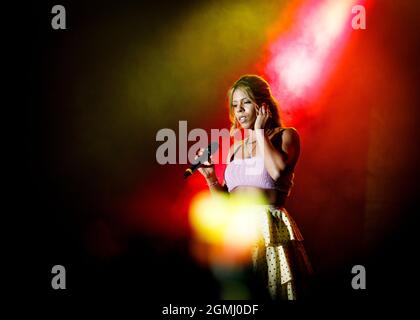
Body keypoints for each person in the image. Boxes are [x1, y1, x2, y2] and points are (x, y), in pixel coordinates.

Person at [195, 74, 313, 300]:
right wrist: (211, 179)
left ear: (263, 104)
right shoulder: (235, 149)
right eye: (235, 105)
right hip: (236, 230)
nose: (239, 110)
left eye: (246, 102)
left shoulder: (286, 136)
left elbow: (277, 171)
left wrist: (260, 133)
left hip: (266, 227)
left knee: (271, 293)